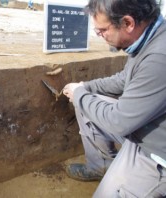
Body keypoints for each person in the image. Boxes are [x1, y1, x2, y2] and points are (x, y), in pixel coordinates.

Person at [62, 0, 166, 197]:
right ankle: (100, 166)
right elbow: (124, 79)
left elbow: (119, 122)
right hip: (143, 127)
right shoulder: (148, 36)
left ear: (128, 23)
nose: (100, 36)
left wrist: (79, 95)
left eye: (102, 31)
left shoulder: (160, 57)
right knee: (87, 103)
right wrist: (87, 87)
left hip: (157, 155)